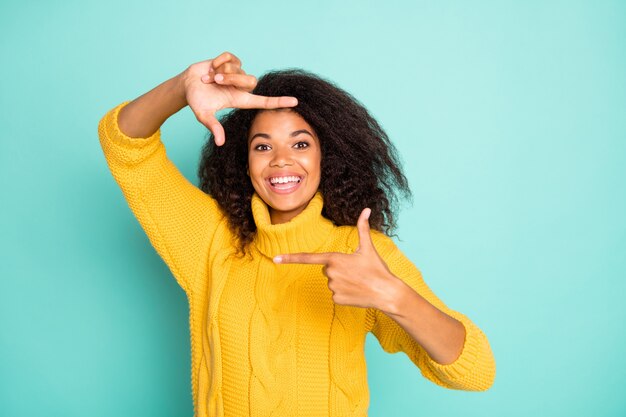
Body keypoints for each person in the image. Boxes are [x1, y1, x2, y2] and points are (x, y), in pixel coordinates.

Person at [98, 51, 496, 417]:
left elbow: (474, 373)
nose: (281, 160)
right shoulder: (210, 239)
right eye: (262, 146)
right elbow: (125, 147)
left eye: (301, 143)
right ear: (244, 160)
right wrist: (181, 87)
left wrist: (393, 296)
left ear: (329, 155)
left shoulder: (361, 254)